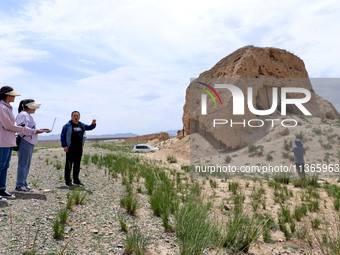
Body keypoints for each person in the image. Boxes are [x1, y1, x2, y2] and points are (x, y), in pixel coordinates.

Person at [0, 86, 41, 201]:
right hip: (3, 141)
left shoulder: (7, 108)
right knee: (1, 166)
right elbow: (8, 125)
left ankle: (2, 189)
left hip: (8, 141)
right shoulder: (2, 107)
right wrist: (20, 128)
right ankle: (16, 185)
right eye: (12, 95)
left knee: (5, 166)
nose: (13, 97)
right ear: (7, 95)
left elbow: (11, 125)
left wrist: (17, 128)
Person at [15, 99, 48, 193]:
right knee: (23, 164)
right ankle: (19, 185)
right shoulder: (23, 115)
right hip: (25, 141)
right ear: (29, 106)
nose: (36, 109)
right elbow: (22, 128)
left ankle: (23, 183)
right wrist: (35, 131)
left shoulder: (26, 115)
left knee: (26, 164)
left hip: (28, 141)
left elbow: (28, 128)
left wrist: (40, 129)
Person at [60, 111, 96, 187]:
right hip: (70, 148)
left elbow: (89, 127)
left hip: (79, 148)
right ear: (71, 117)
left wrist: (93, 124)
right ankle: (68, 181)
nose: (76, 117)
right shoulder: (67, 126)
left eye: (77, 116)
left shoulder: (81, 125)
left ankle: (76, 180)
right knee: (69, 165)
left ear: (79, 117)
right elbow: (62, 136)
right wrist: (64, 146)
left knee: (77, 164)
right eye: (74, 116)